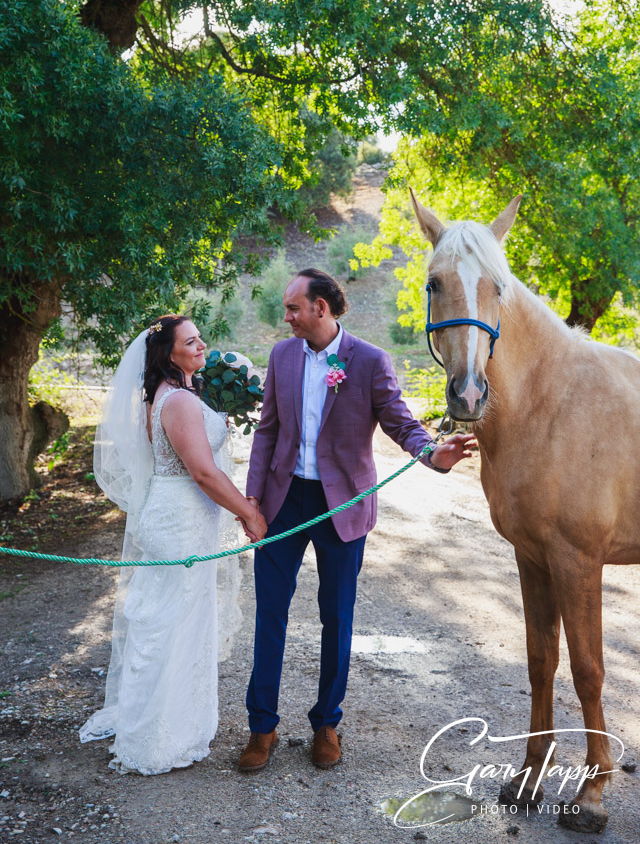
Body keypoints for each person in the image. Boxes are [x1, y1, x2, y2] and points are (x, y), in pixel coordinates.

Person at [238, 269, 475, 773]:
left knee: (336, 617)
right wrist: (252, 500)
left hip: (341, 505)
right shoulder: (282, 356)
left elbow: (400, 422)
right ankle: (262, 727)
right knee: (269, 616)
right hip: (282, 503)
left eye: (293, 308)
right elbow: (267, 431)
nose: (286, 318)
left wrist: (434, 454)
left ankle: (327, 722)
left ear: (321, 308)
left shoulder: (369, 361)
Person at [80, 314, 267, 775]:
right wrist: (248, 511)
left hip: (179, 514)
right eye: (191, 341)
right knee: (172, 622)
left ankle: (175, 724)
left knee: (174, 619)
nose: (202, 346)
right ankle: (155, 738)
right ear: (169, 353)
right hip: (180, 520)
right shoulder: (179, 401)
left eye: (201, 338)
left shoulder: (172, 395)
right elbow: (202, 472)